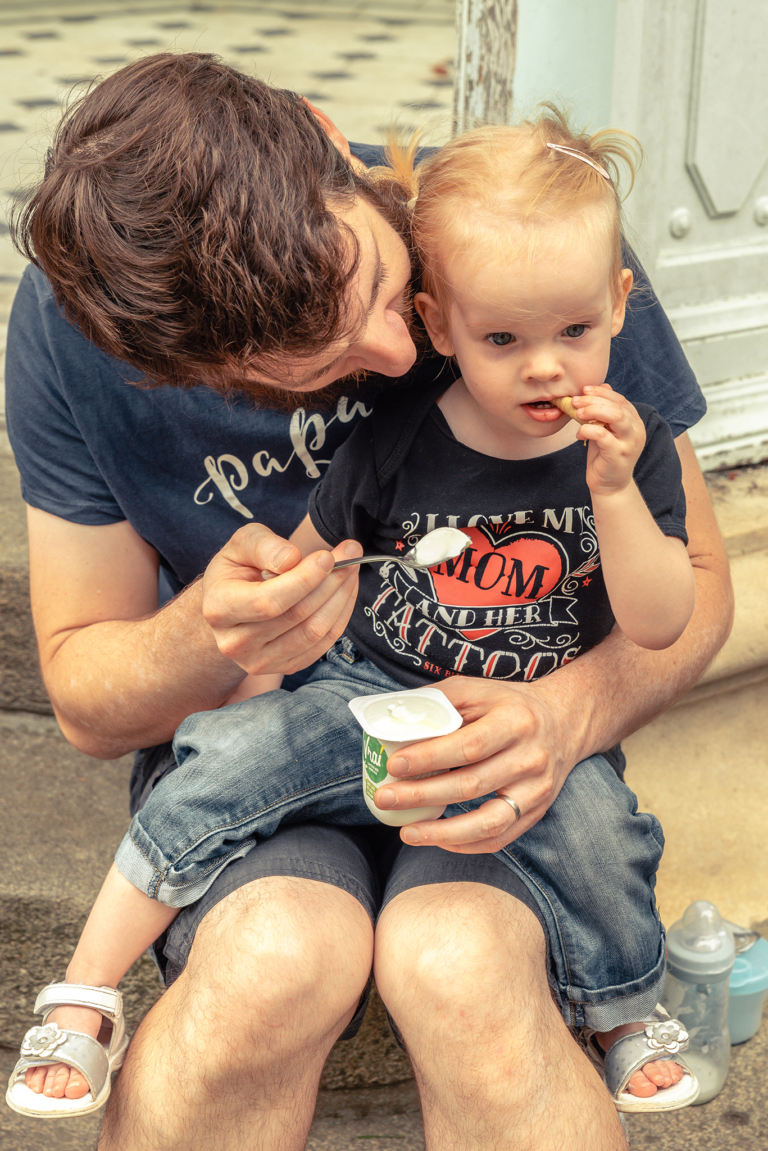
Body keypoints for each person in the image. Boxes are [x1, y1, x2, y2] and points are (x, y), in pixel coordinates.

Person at [3, 54, 732, 1151]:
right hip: (286, 743)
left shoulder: (521, 230)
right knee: (273, 958)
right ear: (165, 368)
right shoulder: (80, 336)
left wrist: (563, 716)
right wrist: (208, 634)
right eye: (314, 364)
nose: (398, 354)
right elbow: (86, 698)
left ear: (325, 135)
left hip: (506, 730)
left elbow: (700, 594)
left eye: (385, 295)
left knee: (461, 969)